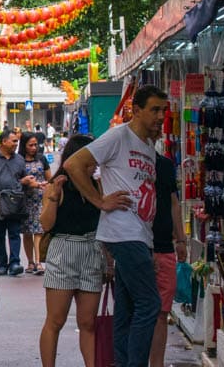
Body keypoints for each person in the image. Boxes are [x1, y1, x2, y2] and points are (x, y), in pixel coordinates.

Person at [65, 86, 169, 367]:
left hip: (137, 235)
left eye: (164, 110)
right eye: (155, 110)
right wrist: (99, 201)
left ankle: (121, 362)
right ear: (136, 110)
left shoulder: (148, 144)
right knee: (150, 305)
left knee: (128, 309)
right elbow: (74, 164)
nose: (161, 116)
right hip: (124, 233)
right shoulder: (118, 135)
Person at [38, 135, 104, 367]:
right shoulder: (57, 184)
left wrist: (109, 261)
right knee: (55, 320)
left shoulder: (97, 185)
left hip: (92, 249)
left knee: (88, 322)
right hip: (63, 249)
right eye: (91, 157)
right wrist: (54, 199)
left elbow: (102, 224)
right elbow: (46, 225)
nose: (95, 162)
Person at [0, 130, 36, 276]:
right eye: (13, 141)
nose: (16, 144)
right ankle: (2, 264)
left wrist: (29, 182)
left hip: (16, 202)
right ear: (3, 141)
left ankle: (15, 263)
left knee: (15, 233)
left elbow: (24, 178)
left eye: (17, 141)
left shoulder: (19, 160)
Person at [151, 152, 187, 367]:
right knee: (138, 314)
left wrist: (181, 239)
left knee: (161, 313)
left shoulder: (164, 164)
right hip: (135, 249)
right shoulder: (124, 163)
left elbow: (174, 202)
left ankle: (157, 363)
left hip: (164, 247)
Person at [18, 133, 51, 275]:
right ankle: (30, 262)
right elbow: (15, 180)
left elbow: (50, 178)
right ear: (24, 145)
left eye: (35, 145)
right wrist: (24, 182)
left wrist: (45, 185)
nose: (33, 147)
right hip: (24, 199)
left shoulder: (42, 158)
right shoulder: (18, 161)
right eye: (30, 145)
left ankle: (38, 261)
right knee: (26, 232)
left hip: (40, 199)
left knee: (38, 230)